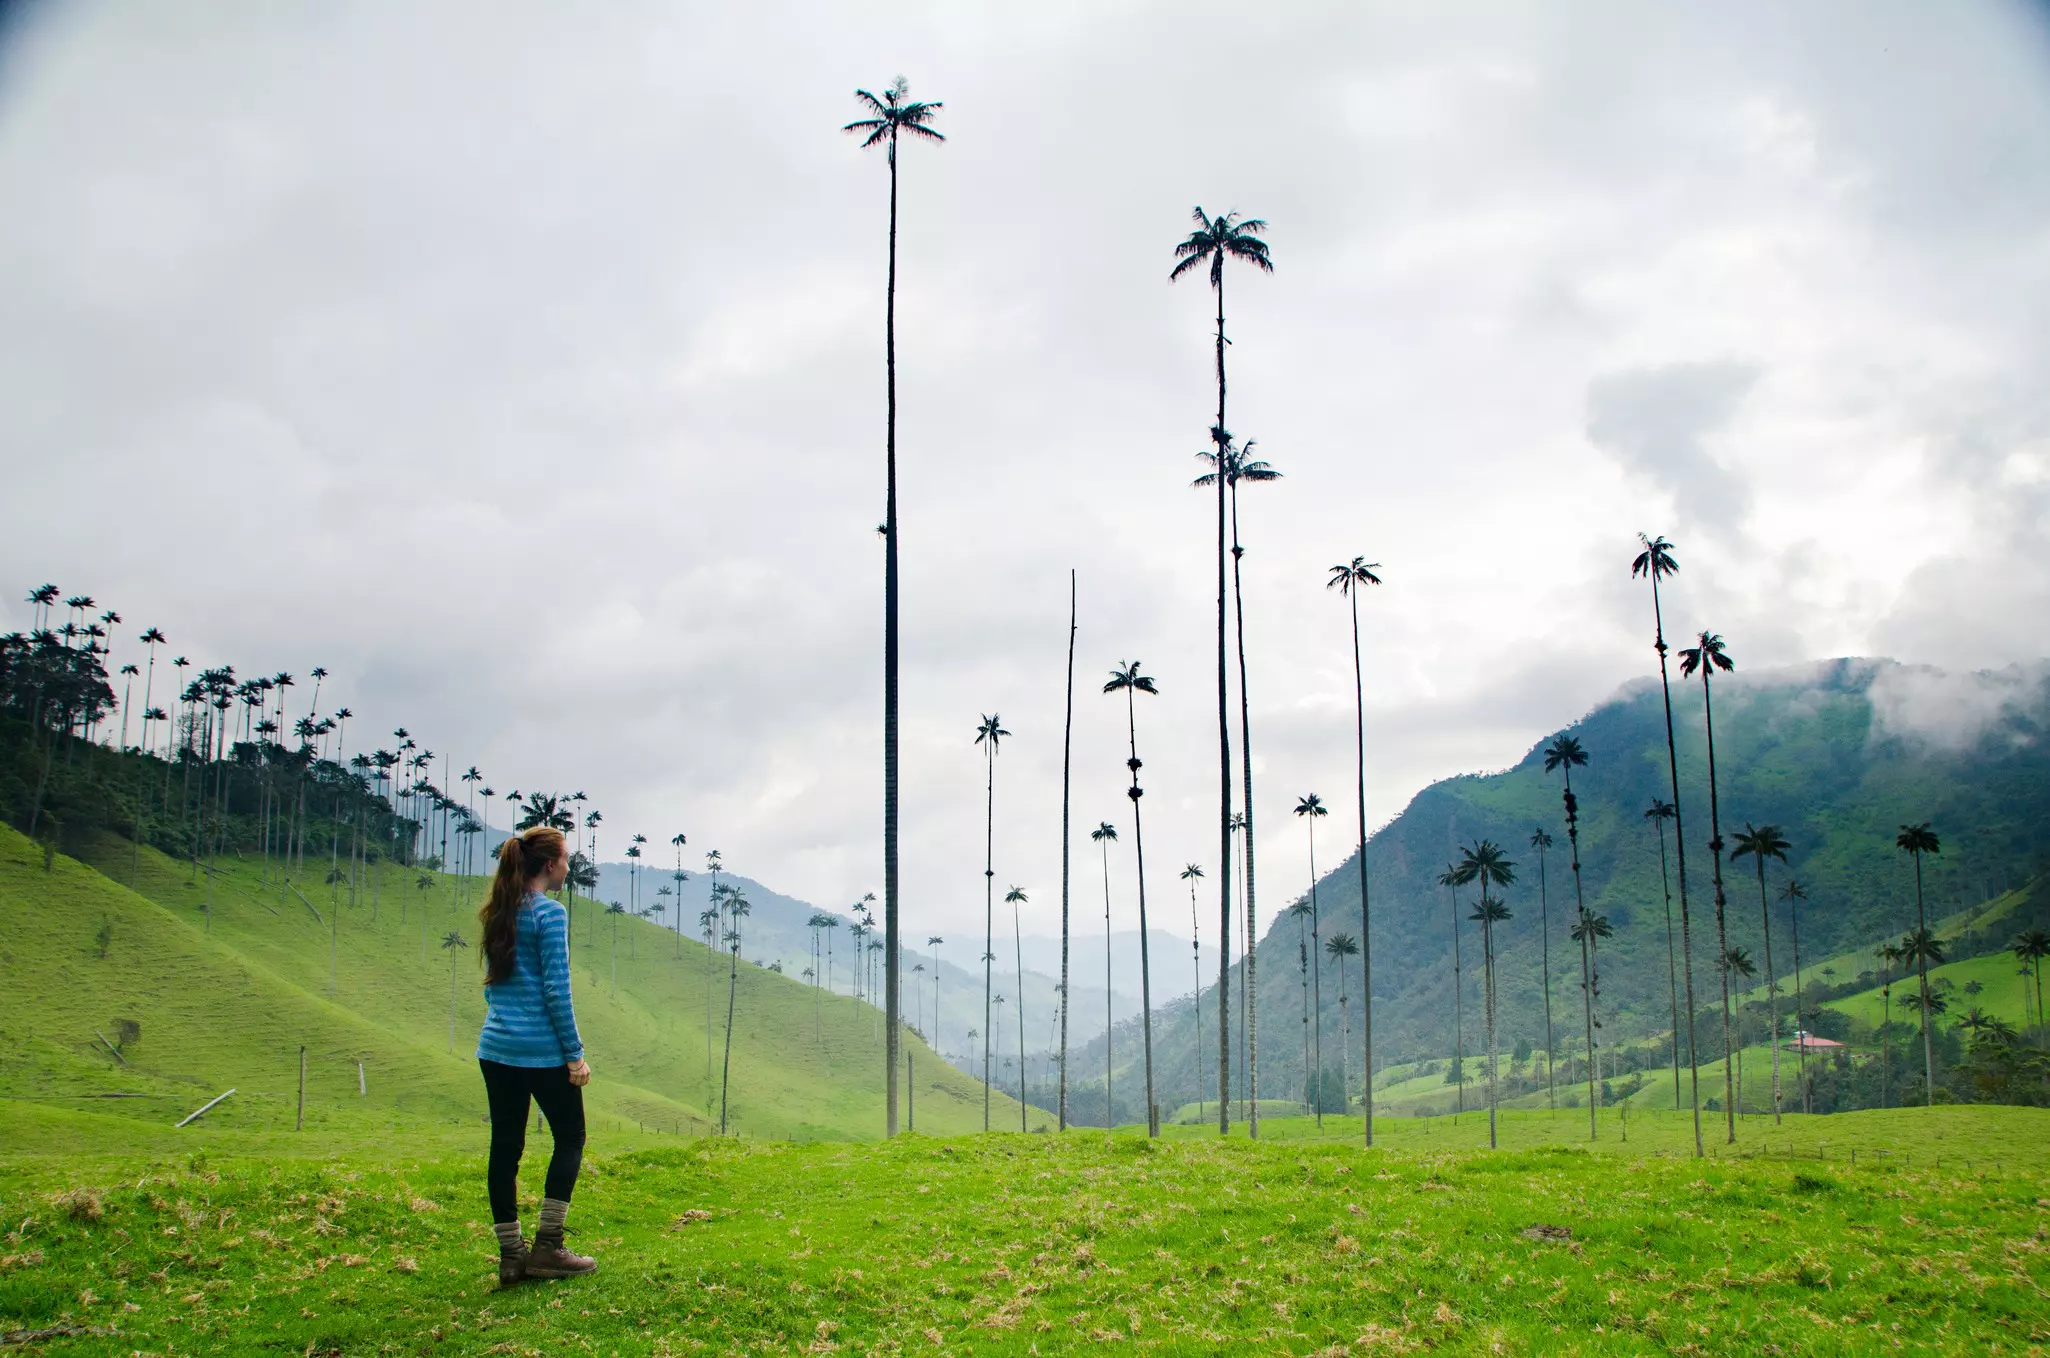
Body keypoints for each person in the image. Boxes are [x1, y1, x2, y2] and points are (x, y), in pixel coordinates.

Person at [476, 825, 596, 1283]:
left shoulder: (498, 912)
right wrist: (574, 1055)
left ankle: (511, 1257)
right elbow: (556, 991)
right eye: (566, 858)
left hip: (496, 1047)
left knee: (505, 1148)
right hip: (542, 1052)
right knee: (570, 1138)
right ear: (549, 866)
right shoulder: (550, 914)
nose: (569, 866)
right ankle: (548, 1246)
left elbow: (497, 987)